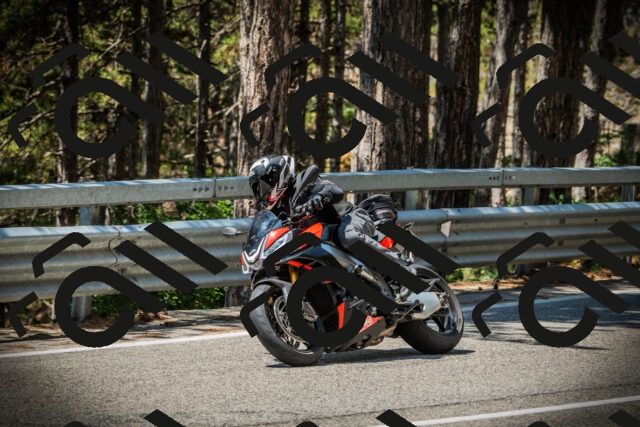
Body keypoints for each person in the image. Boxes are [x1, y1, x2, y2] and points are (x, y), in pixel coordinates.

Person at [247, 154, 416, 276]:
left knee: (348, 235)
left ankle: (399, 269)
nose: (262, 192)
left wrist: (319, 197)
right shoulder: (278, 209)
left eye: (263, 186)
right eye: (258, 189)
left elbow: (334, 190)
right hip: (323, 238)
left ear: (277, 177)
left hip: (349, 219)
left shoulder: (303, 182)